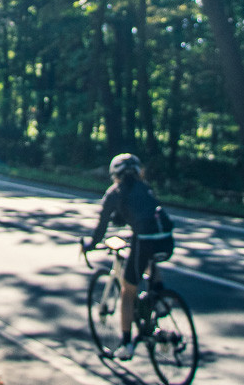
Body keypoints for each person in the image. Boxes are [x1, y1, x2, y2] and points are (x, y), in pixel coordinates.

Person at [82, 152, 169, 361]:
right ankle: (158, 299)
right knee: (149, 260)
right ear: (138, 172)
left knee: (127, 290)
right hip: (166, 239)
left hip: (144, 241)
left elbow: (101, 226)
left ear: (115, 174)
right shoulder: (146, 188)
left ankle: (126, 344)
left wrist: (90, 245)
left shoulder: (115, 192)